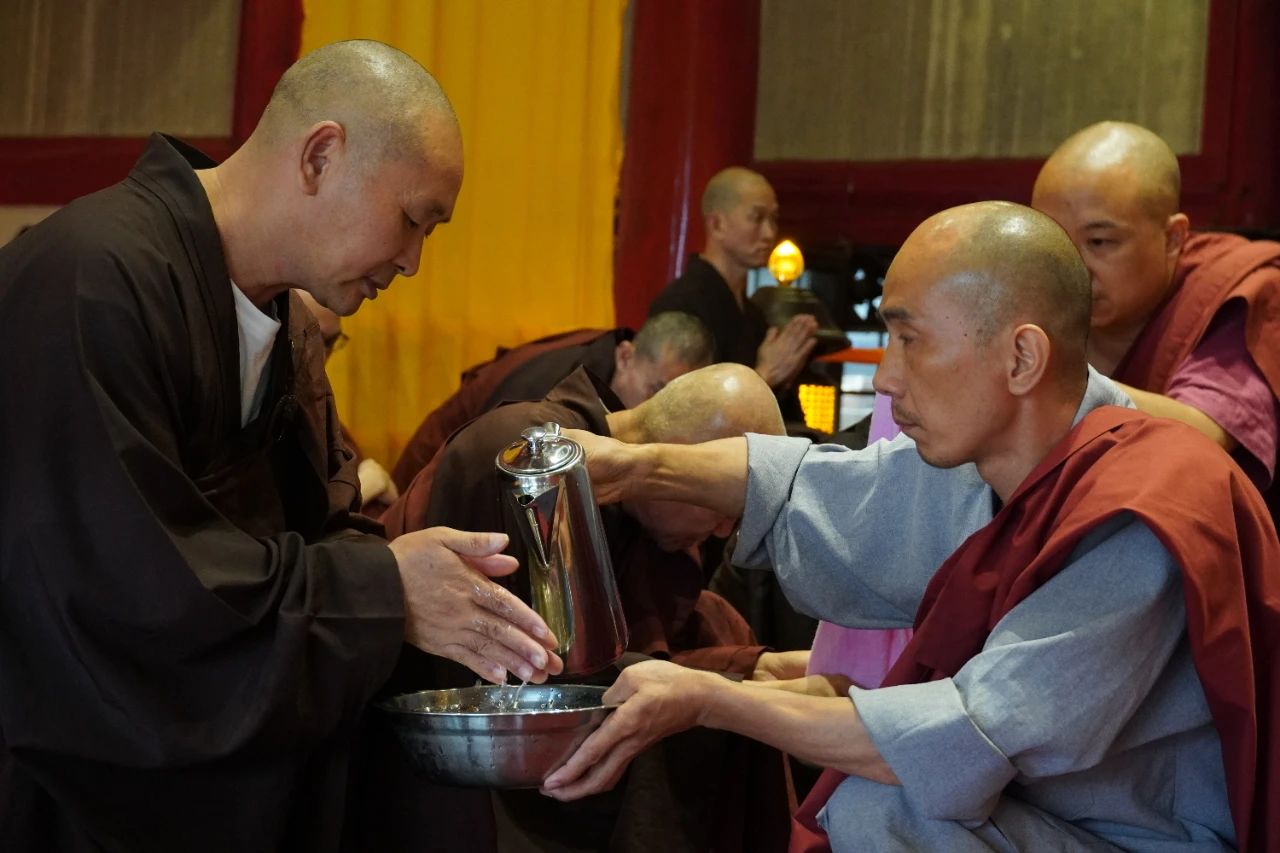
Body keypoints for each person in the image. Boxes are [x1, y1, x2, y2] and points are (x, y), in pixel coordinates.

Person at [539, 202, 1280, 851]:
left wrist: (710, 699)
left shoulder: (1139, 511)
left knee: (880, 806)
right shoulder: (1003, 453)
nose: (887, 380)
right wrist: (635, 464)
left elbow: (956, 738)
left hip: (1131, 838)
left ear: (1022, 355)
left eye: (910, 340)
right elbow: (828, 488)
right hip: (1037, 818)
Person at [0, 40, 562, 852]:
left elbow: (323, 528)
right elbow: (123, 598)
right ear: (321, 154)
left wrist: (420, 588)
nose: (410, 262)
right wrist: (384, 592)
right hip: (69, 797)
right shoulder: (91, 279)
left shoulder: (290, 328)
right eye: (412, 221)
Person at [364, 363, 793, 852]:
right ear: (677, 458)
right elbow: (529, 678)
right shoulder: (529, 464)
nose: (722, 531)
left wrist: (743, 669)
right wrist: (737, 677)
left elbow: (653, 638)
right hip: (472, 774)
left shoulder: (647, 510)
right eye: (721, 503)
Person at [1032, 121, 1280, 502]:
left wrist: (1049, 380)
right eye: (1054, 241)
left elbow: (1201, 434)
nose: (1071, 269)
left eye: (1099, 242)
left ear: (1172, 239)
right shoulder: (1033, 282)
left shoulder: (1234, 292)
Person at [389, 310, 714, 492]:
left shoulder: (609, 362)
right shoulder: (550, 393)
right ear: (627, 355)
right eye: (656, 391)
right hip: (434, 472)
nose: (660, 410)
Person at [648, 167, 818, 403]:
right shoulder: (681, 304)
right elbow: (677, 409)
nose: (769, 233)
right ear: (717, 224)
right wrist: (765, 374)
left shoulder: (754, 315)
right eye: (757, 218)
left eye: (773, 219)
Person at [295, 288, 400, 512]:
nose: (321, 356)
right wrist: (365, 486)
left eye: (330, 341)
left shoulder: (317, 405)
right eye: (309, 336)